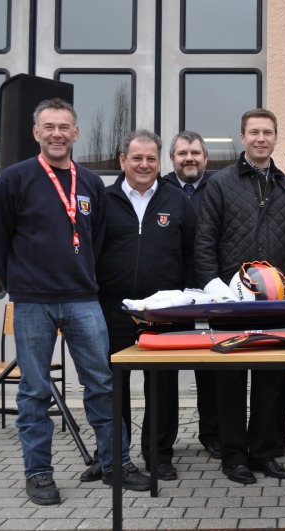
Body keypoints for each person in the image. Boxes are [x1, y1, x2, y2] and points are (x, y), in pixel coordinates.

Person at [0, 98, 150, 506]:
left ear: (76, 133)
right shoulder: (13, 180)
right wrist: (21, 285)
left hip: (83, 301)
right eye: (49, 127)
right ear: (36, 133)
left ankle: (116, 465)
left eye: (64, 127)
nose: (57, 134)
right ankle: (39, 473)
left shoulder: (91, 183)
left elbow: (97, 239)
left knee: (102, 385)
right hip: (33, 303)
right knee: (34, 391)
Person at [194, 108, 285, 485]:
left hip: (276, 304)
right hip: (231, 304)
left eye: (267, 132)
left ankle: (262, 452)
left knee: (270, 383)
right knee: (229, 383)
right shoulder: (221, 183)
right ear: (242, 137)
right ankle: (233, 457)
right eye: (254, 132)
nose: (261, 138)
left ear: (276, 137)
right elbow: (204, 241)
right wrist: (216, 289)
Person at [91, 129, 197, 483]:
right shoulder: (103, 199)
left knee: (162, 386)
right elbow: (90, 251)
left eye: (151, 158)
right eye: (136, 157)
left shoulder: (176, 200)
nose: (144, 164)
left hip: (163, 313)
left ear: (160, 162)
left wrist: (186, 300)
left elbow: (190, 254)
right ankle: (112, 456)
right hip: (113, 309)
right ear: (123, 160)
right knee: (112, 387)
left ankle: (158, 455)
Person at [162, 130, 221, 460]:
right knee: (165, 370)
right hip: (170, 293)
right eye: (183, 153)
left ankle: (213, 435)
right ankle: (163, 444)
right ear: (172, 158)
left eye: (196, 153)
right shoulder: (160, 189)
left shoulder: (219, 187)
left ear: (206, 158)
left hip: (210, 291)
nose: (189, 158)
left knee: (211, 368)